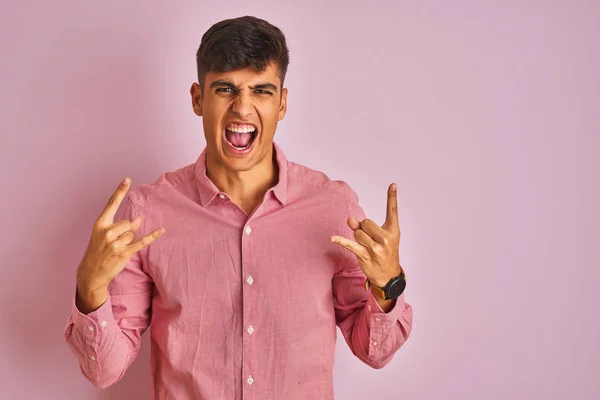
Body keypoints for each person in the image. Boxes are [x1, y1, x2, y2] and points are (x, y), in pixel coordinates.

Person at [64, 15, 413, 400]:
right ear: (198, 98)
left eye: (262, 91)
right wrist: (91, 286)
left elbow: (374, 353)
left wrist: (388, 284)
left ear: (282, 103)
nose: (242, 109)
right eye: (225, 89)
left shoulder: (333, 207)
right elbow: (103, 371)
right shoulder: (148, 211)